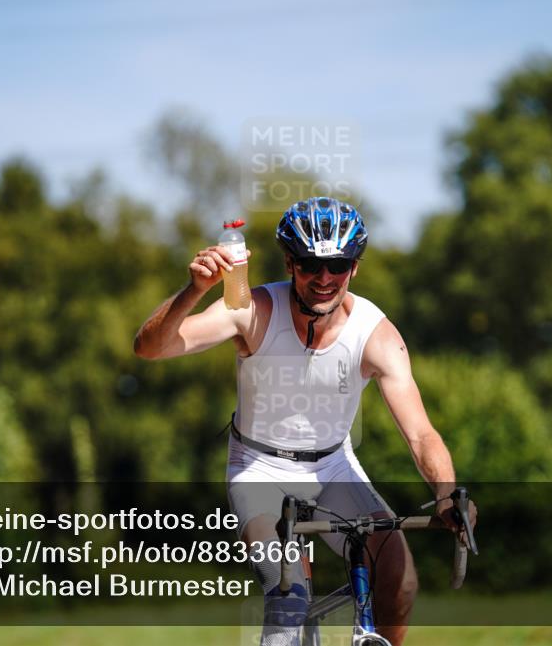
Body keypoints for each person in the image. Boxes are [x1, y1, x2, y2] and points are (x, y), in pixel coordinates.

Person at [135, 197, 475, 646]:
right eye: (311, 264)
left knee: (400, 579)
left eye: (337, 264)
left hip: (333, 467)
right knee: (289, 597)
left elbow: (420, 432)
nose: (324, 278)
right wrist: (195, 289)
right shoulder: (251, 310)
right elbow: (150, 347)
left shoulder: (375, 334)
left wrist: (447, 494)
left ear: (354, 267)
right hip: (259, 468)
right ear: (289, 263)